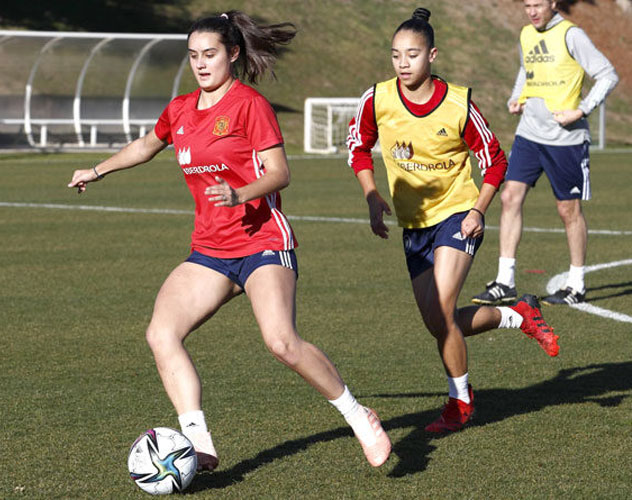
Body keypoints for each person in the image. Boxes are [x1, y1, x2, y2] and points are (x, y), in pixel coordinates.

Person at [69, 11, 391, 468]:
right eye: (194, 56)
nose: (201, 64)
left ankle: (359, 417)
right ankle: (199, 445)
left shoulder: (248, 105)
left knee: (281, 343)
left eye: (210, 55)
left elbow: (281, 173)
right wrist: (98, 170)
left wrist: (239, 193)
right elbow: (146, 144)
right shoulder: (180, 109)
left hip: (262, 241)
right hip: (211, 250)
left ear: (232, 54)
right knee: (162, 333)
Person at [346, 8, 560, 433]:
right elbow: (357, 147)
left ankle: (460, 404)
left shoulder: (458, 102)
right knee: (437, 323)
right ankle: (517, 315)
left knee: (442, 310)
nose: (402, 63)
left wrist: (478, 210)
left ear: (433, 55)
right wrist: (372, 195)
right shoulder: (378, 98)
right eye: (395, 55)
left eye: (411, 55)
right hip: (414, 224)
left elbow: (495, 161)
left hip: (458, 216)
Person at [472, 0, 618, 306]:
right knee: (510, 196)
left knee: (568, 210)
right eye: (527, 5)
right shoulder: (526, 34)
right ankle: (505, 281)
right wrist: (516, 98)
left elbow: (607, 75)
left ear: (553, 2)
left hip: (566, 140)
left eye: (538, 4)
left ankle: (576, 284)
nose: (532, 11)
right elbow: (527, 71)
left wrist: (581, 110)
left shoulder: (571, 35)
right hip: (529, 134)